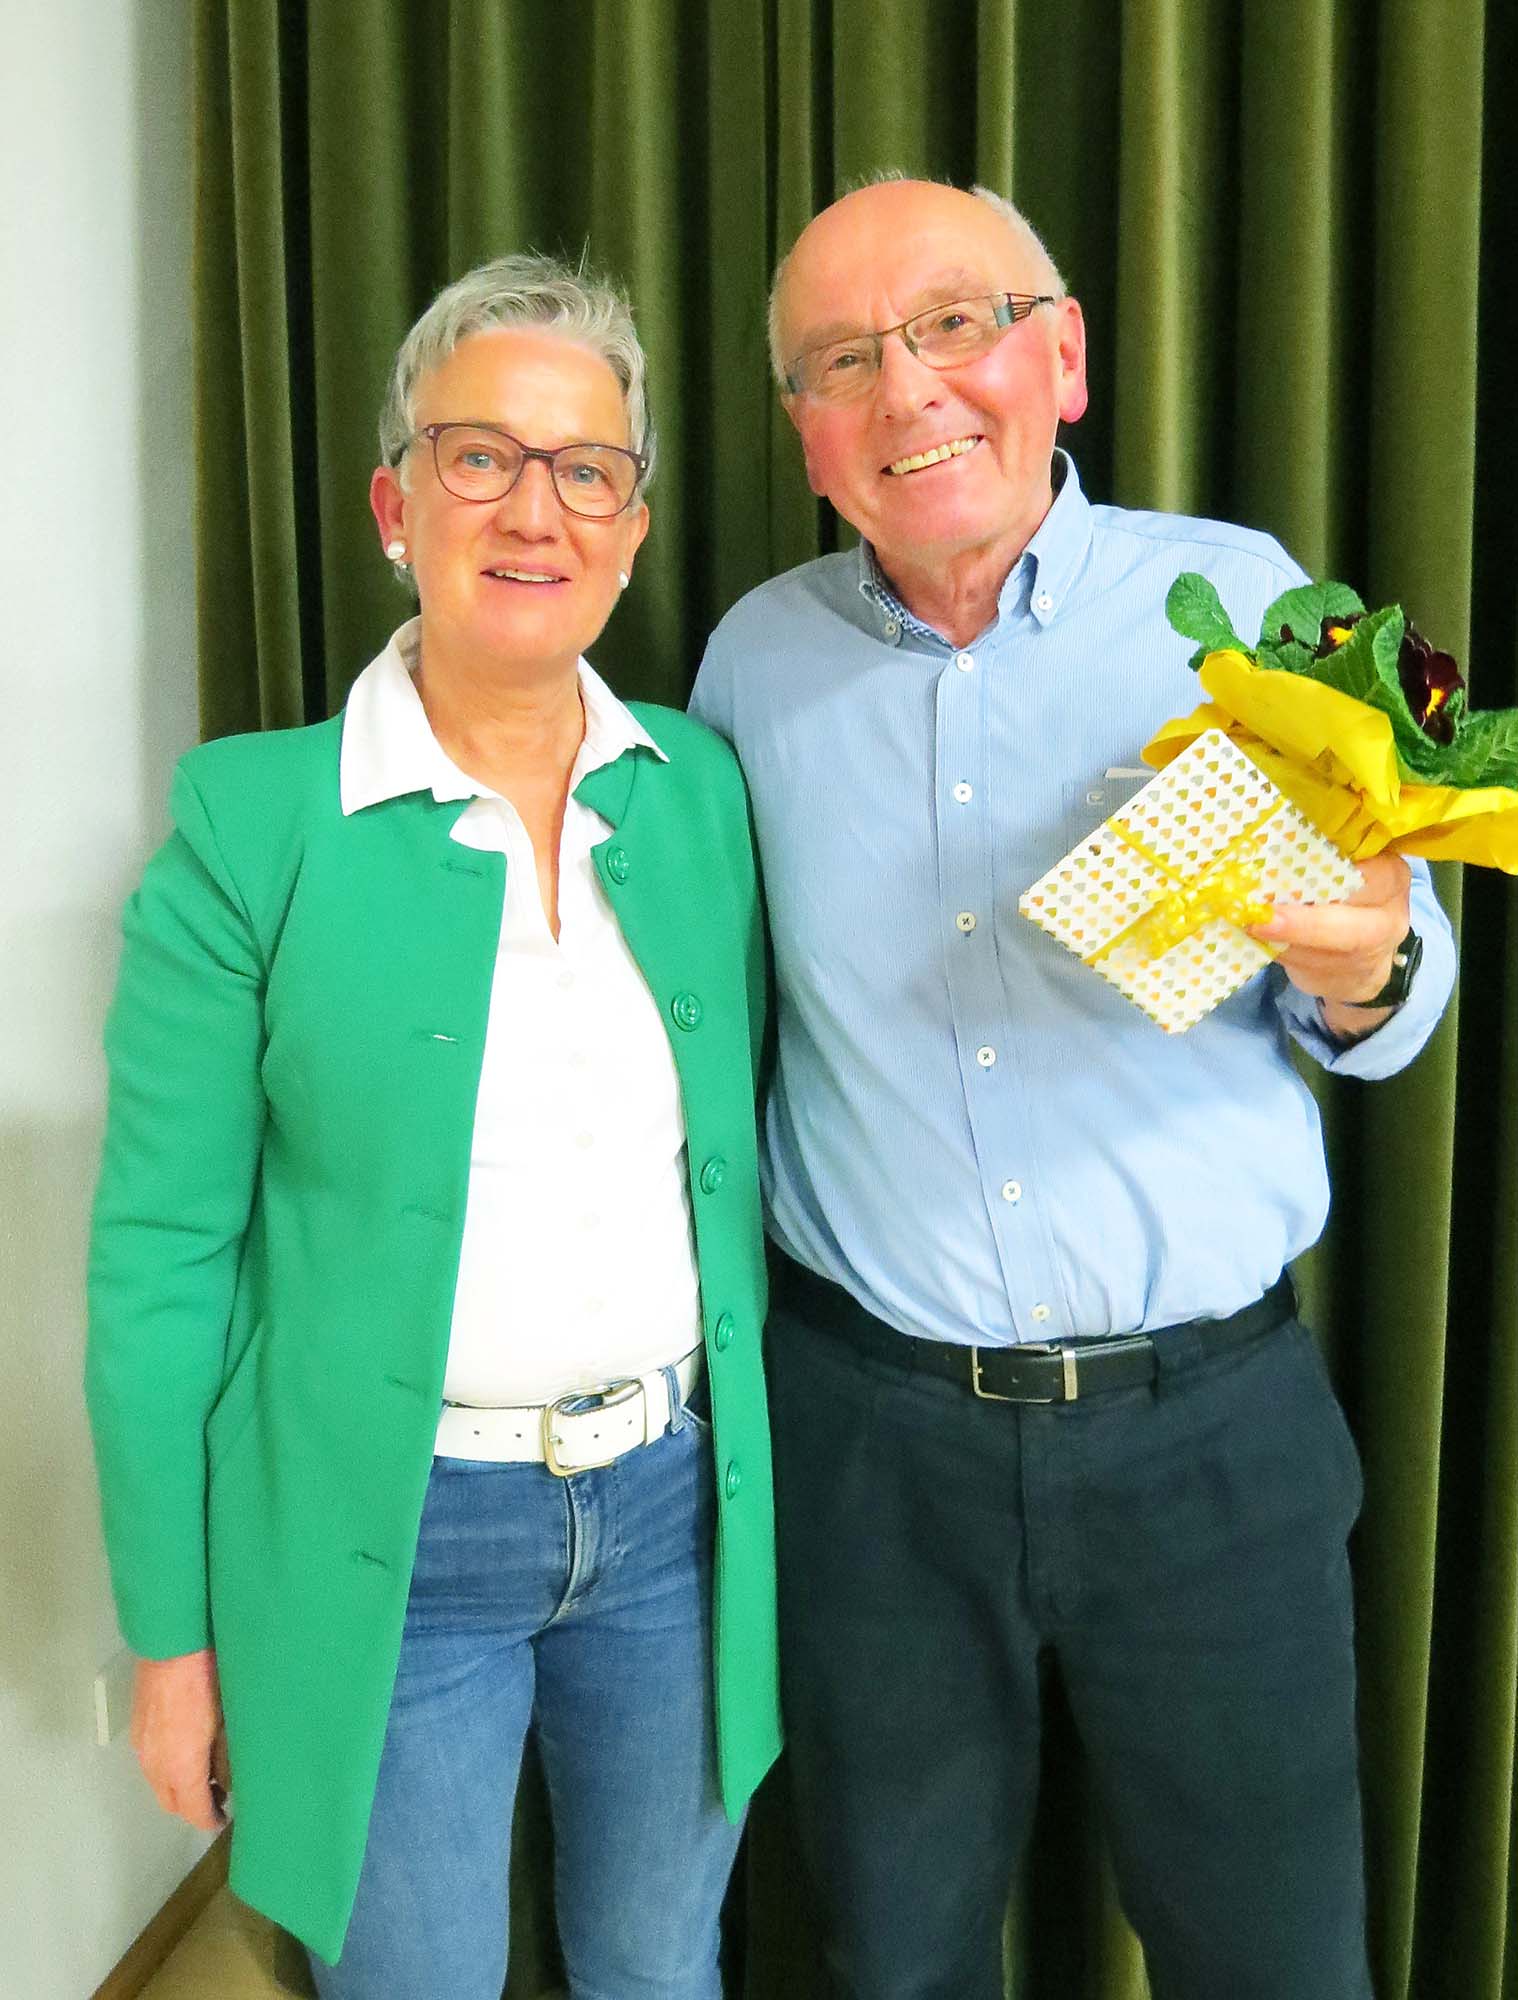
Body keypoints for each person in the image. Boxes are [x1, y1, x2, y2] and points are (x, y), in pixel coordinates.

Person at [690, 178, 1455, 2000]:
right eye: (841, 361)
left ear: (1065, 358)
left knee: (1275, 1964)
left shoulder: (1255, 598)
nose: (907, 391)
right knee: (893, 1960)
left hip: (1212, 1440)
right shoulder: (745, 665)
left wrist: (1366, 962)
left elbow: (1403, 976)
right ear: (804, 434)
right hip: (870, 1451)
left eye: (954, 325)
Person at [87, 252, 780, 2000]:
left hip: (673, 1517)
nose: (534, 510)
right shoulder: (253, 824)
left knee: (657, 1968)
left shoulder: (697, 789)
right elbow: (160, 1263)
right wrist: (172, 1641)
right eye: (481, 457)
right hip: (387, 1542)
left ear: (630, 530)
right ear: (396, 506)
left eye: (585, 470)